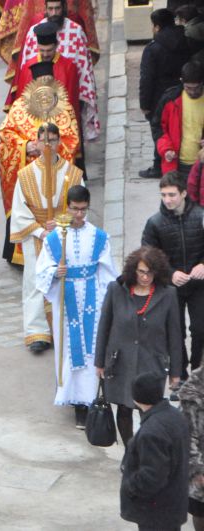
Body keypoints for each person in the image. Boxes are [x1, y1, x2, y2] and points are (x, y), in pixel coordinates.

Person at [35, 185, 118, 428]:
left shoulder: (99, 237)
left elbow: (108, 273)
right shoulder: (55, 238)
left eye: (83, 210)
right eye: (74, 209)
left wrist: (107, 303)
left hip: (93, 297)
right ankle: (77, 403)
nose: (79, 215)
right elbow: (41, 271)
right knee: (71, 350)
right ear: (67, 207)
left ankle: (93, 398)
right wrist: (54, 272)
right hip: (67, 298)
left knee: (93, 348)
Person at [95, 246, 183, 445]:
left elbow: (175, 336)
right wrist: (99, 362)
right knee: (124, 409)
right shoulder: (116, 290)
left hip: (152, 363)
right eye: (142, 272)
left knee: (150, 414)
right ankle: (129, 453)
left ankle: (145, 452)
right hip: (121, 362)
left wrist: (175, 373)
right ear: (133, 270)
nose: (146, 277)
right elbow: (104, 327)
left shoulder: (168, 295)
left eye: (150, 272)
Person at [9, 122, 84, 353]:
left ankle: (64, 325)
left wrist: (62, 222)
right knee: (34, 280)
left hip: (63, 234)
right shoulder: (25, 175)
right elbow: (20, 211)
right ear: (37, 143)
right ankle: (36, 331)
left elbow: (80, 206)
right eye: (44, 140)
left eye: (52, 140)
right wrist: (41, 231)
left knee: (65, 278)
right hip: (36, 235)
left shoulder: (72, 173)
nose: (48, 145)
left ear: (59, 141)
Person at [0, 66, 80, 264]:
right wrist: (26, 147)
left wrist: (50, 149)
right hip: (29, 171)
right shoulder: (19, 106)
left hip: (55, 171)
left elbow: (72, 140)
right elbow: (6, 135)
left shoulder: (64, 107)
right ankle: (23, 252)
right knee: (24, 209)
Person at [142, 171, 204, 384]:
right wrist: (169, 273)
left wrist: (203, 265)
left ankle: (198, 372)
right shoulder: (155, 223)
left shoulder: (201, 216)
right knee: (174, 333)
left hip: (198, 285)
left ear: (184, 193)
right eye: (163, 195)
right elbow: (148, 257)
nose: (167, 200)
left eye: (172, 195)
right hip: (171, 287)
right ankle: (180, 376)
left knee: (200, 328)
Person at [15, 0, 100, 141]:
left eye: (57, 8)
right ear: (45, 8)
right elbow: (25, 76)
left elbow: (84, 70)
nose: (54, 13)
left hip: (67, 106)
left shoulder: (75, 31)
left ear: (64, 7)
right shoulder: (32, 33)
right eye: (51, 9)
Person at [120, 371, 189, 530]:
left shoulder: (151, 432)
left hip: (155, 511)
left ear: (136, 399)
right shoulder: (175, 416)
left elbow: (152, 476)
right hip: (172, 504)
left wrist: (130, 486)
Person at [7, 23, 85, 145]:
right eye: (42, 50)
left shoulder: (69, 67)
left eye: (49, 50)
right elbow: (22, 103)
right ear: (37, 46)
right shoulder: (27, 67)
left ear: (56, 46)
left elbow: (72, 102)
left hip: (61, 127)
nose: (45, 54)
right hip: (33, 128)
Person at [139, 8, 189, 178]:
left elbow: (147, 78)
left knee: (160, 130)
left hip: (159, 95)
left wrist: (144, 104)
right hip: (182, 92)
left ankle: (159, 165)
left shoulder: (153, 49)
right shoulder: (185, 42)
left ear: (157, 27)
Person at [156, 61, 204, 176]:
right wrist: (166, 149)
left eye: (196, 88)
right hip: (176, 165)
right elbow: (159, 129)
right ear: (182, 82)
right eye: (188, 88)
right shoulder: (170, 100)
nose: (192, 92)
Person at [180, 367, 204, 530]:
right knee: (201, 512)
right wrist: (198, 471)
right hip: (201, 464)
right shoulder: (193, 391)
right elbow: (188, 436)